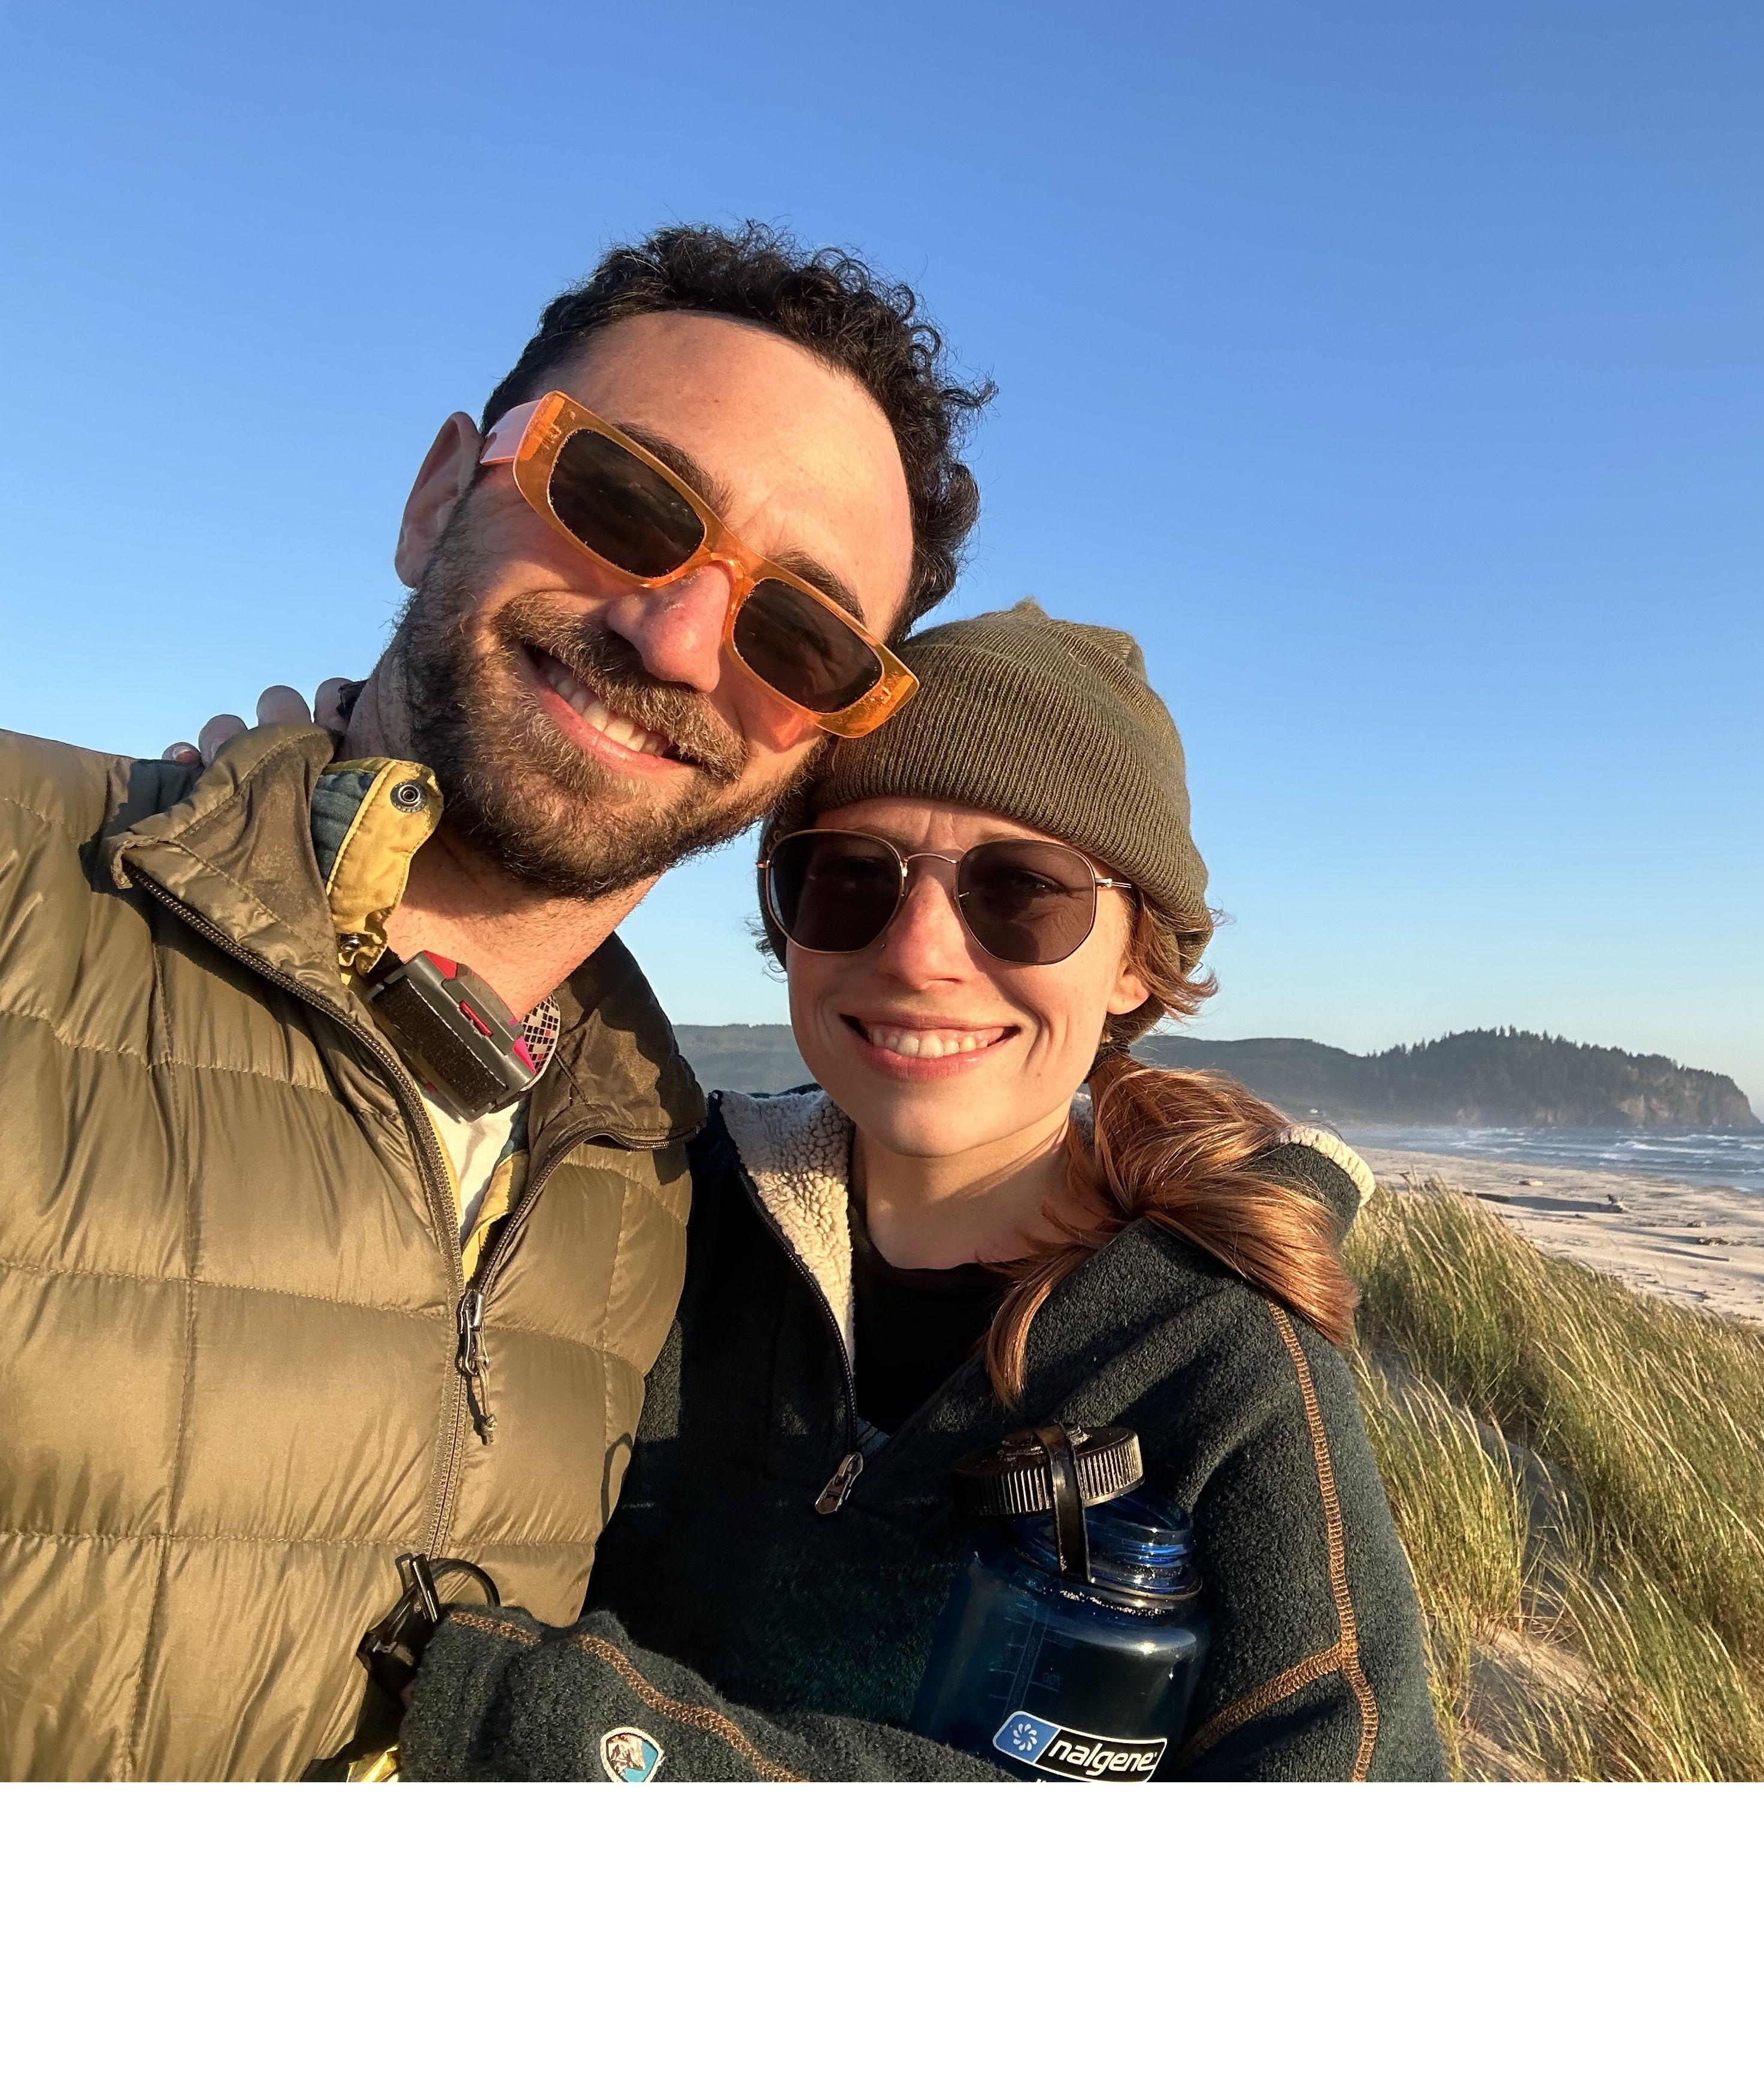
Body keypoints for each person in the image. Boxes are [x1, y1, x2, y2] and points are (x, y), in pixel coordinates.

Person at [0, 224, 987, 1780]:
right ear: (436, 494)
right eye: (624, 503)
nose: (677, 641)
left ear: (814, 741)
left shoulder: (660, 1168)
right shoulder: (29, 891)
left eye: (800, 636)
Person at [398, 603, 1445, 1780]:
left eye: (1023, 890)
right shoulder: (655, 1206)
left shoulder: (1218, 1361)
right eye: (851, 877)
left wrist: (570, 1739)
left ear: (1137, 961)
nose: (917, 953)